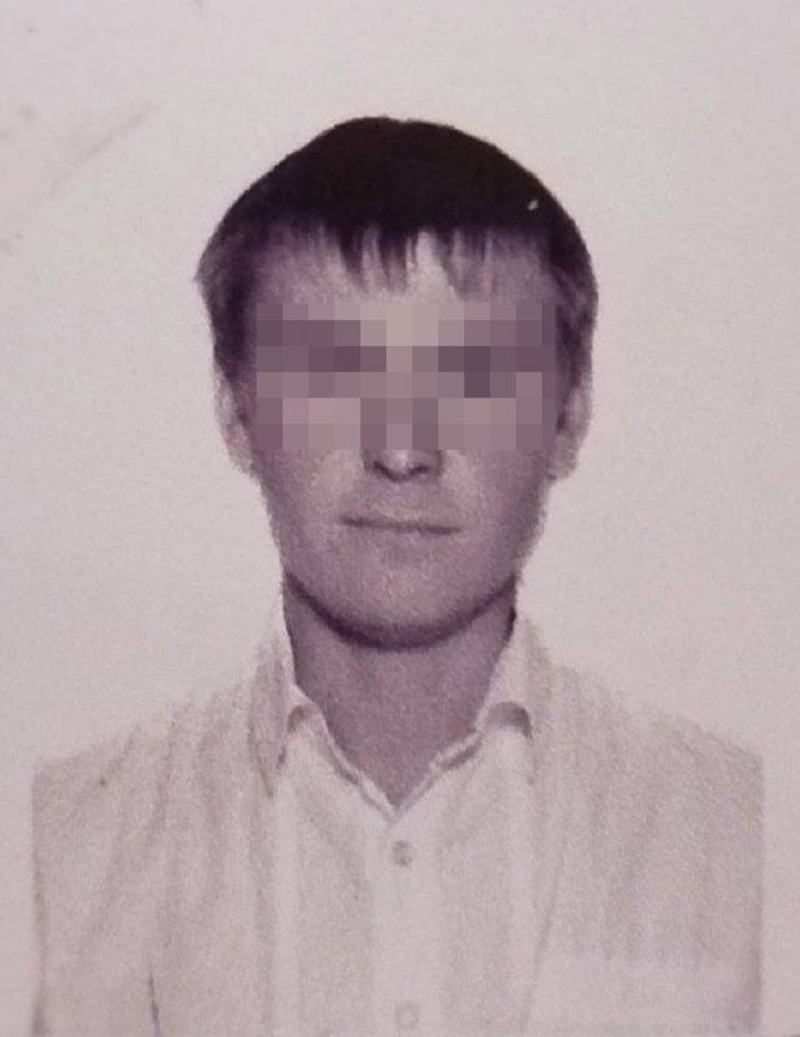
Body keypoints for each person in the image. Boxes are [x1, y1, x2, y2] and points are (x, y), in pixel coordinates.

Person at [31, 117, 762, 1036]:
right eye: (336, 371)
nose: (404, 450)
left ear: (570, 415)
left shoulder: (743, 835)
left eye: (473, 374)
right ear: (235, 410)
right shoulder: (62, 849)